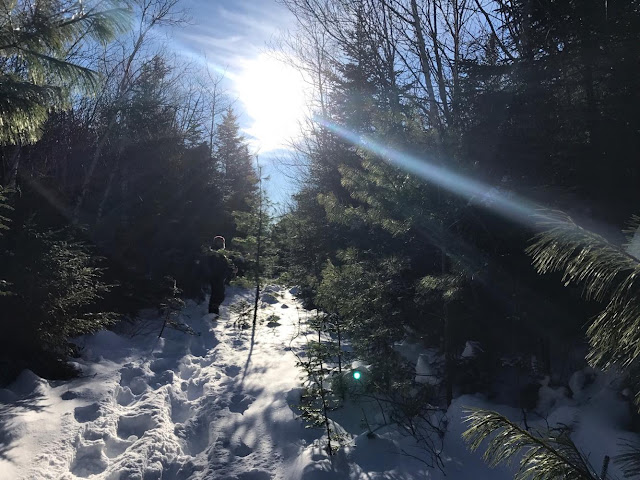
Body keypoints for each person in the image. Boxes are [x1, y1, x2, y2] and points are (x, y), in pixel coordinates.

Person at [205, 235, 236, 315]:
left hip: (220, 277)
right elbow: (215, 266)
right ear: (216, 243)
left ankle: (214, 312)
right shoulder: (214, 253)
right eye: (220, 242)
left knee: (219, 295)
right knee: (217, 295)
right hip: (216, 277)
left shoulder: (222, 254)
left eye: (222, 243)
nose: (221, 244)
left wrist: (231, 270)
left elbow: (225, 266)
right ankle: (212, 313)